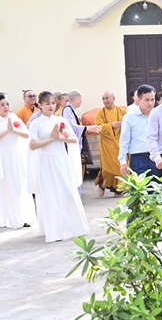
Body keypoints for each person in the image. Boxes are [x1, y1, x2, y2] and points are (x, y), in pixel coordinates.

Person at [29, 91, 89, 242]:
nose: (51, 106)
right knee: (50, 195)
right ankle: (54, 231)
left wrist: (61, 137)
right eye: (47, 103)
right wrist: (52, 138)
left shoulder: (61, 120)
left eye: (53, 103)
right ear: (40, 105)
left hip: (61, 160)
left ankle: (73, 227)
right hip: (45, 162)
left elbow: (74, 139)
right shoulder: (35, 123)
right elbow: (32, 145)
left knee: (67, 191)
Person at [0, 93, 36, 228]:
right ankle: (7, 218)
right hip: (3, 155)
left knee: (19, 185)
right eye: (2, 105)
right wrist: (7, 131)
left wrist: (14, 131)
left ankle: (21, 217)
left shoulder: (14, 117)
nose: (6, 107)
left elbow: (27, 134)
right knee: (5, 186)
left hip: (16, 155)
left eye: (7, 104)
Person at [62, 90, 101, 191]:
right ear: (76, 98)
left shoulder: (72, 109)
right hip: (70, 145)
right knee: (73, 169)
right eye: (81, 99)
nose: (81, 102)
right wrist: (87, 128)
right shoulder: (67, 110)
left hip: (76, 144)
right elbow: (70, 127)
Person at [118, 85, 157, 177]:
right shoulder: (129, 117)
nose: (150, 103)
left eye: (152, 99)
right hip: (138, 159)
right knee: (140, 185)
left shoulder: (158, 115)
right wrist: (123, 161)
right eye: (147, 100)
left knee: (159, 185)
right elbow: (124, 140)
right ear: (139, 100)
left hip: (157, 158)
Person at [94, 91, 127, 197]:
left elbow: (128, 125)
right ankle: (102, 185)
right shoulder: (100, 113)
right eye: (103, 99)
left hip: (120, 143)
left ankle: (119, 189)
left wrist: (122, 127)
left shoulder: (122, 112)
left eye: (107, 98)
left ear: (114, 98)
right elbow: (98, 127)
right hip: (107, 145)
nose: (105, 101)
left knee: (121, 166)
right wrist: (111, 125)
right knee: (107, 168)